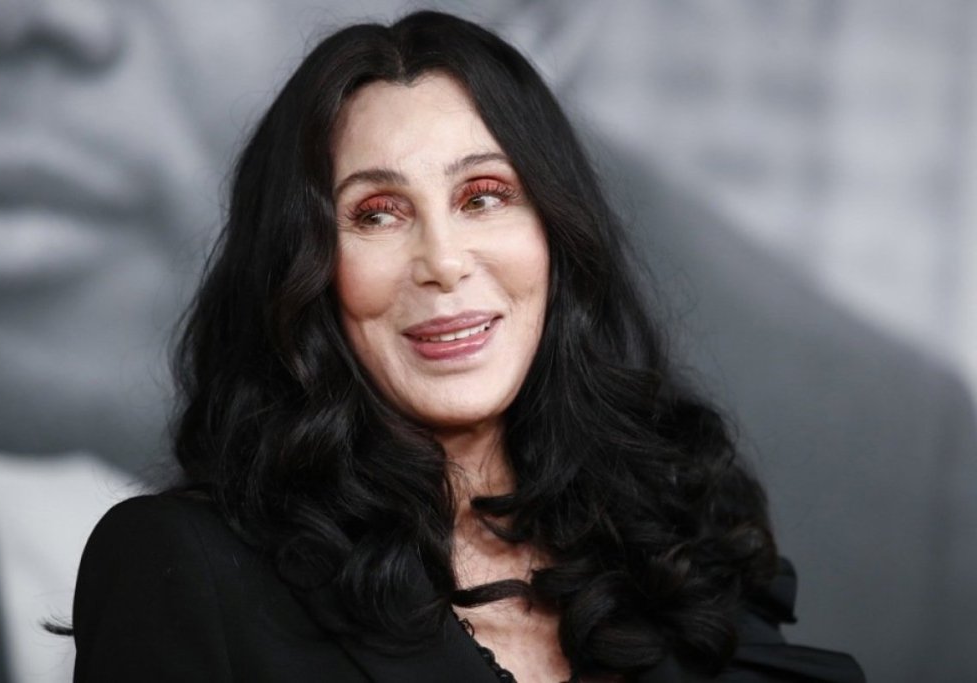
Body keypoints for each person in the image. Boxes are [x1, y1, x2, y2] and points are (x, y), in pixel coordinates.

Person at [71, 11, 864, 682]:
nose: (443, 261)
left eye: (483, 196)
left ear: (555, 235)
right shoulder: (183, 568)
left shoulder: (679, 546)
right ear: (304, 270)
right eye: (377, 213)